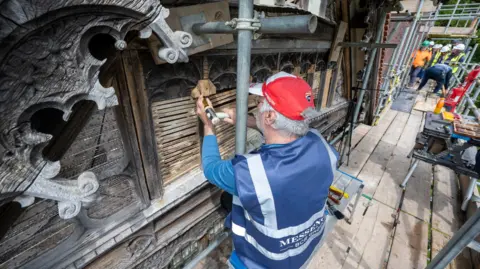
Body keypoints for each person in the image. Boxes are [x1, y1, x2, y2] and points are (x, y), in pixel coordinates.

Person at [197, 72, 338, 269]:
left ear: (270, 116)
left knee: (228, 199)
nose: (256, 107)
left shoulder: (253, 173)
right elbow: (285, 133)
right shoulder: (321, 144)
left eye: (258, 103)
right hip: (304, 250)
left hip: (262, 262)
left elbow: (211, 168)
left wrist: (208, 126)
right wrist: (244, 120)